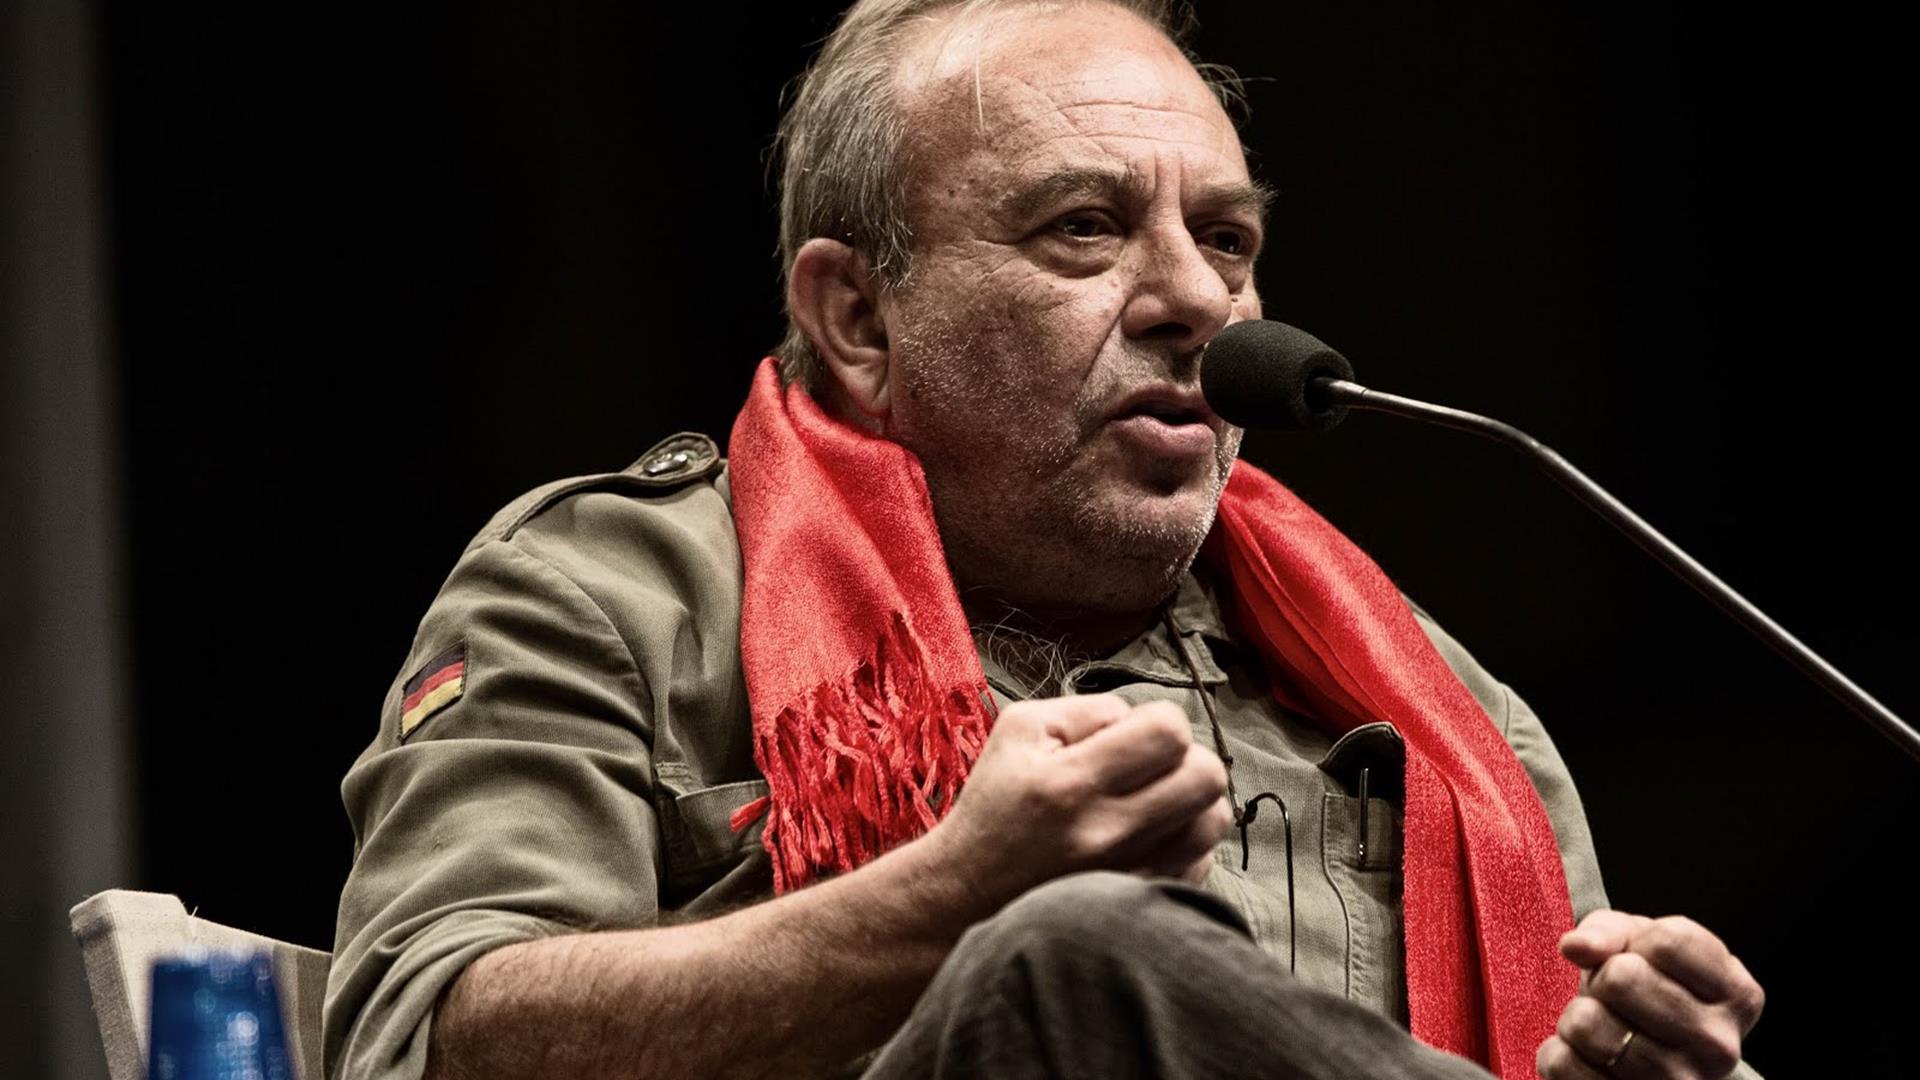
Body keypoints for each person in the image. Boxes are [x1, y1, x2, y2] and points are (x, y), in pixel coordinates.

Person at [324, 2, 1767, 1078]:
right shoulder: (618, 597)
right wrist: (945, 900)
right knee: (1077, 955)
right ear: (859, 317)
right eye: (1086, 228)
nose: (1197, 300)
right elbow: (416, 1041)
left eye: (1229, 239)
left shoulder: (1448, 718)